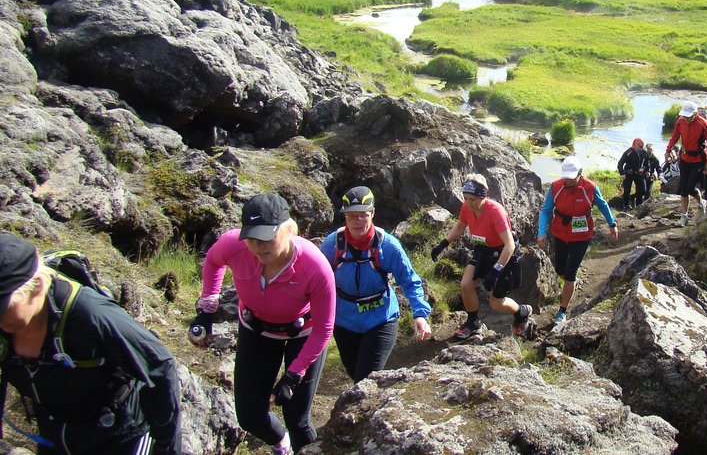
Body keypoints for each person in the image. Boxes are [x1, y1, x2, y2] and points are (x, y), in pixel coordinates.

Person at [0, 233, 182, 455]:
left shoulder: (92, 315)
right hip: (58, 435)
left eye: (3, 308)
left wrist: (167, 449)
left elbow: (161, 365)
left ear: (37, 287)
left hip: (120, 436)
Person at [189, 194, 335, 455]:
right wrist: (207, 310)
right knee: (249, 416)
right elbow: (213, 260)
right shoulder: (234, 245)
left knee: (297, 418)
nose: (258, 246)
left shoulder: (315, 267)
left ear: (289, 230)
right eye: (252, 237)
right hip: (256, 330)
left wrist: (293, 375)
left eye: (267, 237)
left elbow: (324, 328)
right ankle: (281, 443)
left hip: (304, 333)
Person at [320, 186, 432, 383]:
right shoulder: (332, 245)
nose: (357, 221)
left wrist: (420, 314)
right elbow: (316, 282)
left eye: (363, 215)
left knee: (366, 379)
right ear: (345, 216)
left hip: (381, 319)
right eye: (351, 216)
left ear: (372, 213)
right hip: (344, 320)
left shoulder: (387, 246)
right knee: (355, 374)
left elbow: (410, 280)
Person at [429, 174, 532, 339]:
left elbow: (510, 245)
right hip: (483, 250)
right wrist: (443, 243)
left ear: (483, 196)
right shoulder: (467, 207)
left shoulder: (495, 211)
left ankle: (521, 312)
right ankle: (473, 324)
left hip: (503, 254)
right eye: (465, 198)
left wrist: (496, 271)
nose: (469, 203)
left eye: (473, 199)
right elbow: (460, 225)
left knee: (495, 303)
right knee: (466, 285)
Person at [536, 157, 618, 324]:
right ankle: (570, 282)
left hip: (581, 235)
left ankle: (562, 310)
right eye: (566, 177)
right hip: (560, 232)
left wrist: (612, 224)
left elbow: (603, 205)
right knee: (560, 269)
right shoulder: (556, 186)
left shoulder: (590, 187)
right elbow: (546, 210)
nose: (568, 181)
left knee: (570, 273)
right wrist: (541, 233)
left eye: (572, 178)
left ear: (580, 173)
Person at [666, 102, 707, 227]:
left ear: (695, 114)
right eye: (684, 116)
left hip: (698, 159)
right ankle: (684, 217)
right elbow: (674, 137)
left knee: (690, 187)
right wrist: (668, 150)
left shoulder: (703, 123)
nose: (686, 118)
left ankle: (701, 202)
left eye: (688, 116)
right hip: (684, 157)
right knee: (683, 188)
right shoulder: (680, 121)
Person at [617, 137, 648, 209]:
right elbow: (620, 163)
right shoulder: (629, 152)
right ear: (635, 145)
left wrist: (647, 170)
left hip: (639, 173)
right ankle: (626, 205)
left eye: (642, 146)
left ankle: (638, 204)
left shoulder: (644, 152)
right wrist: (622, 173)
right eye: (640, 146)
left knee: (643, 190)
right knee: (627, 190)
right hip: (629, 173)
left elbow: (646, 163)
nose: (641, 148)